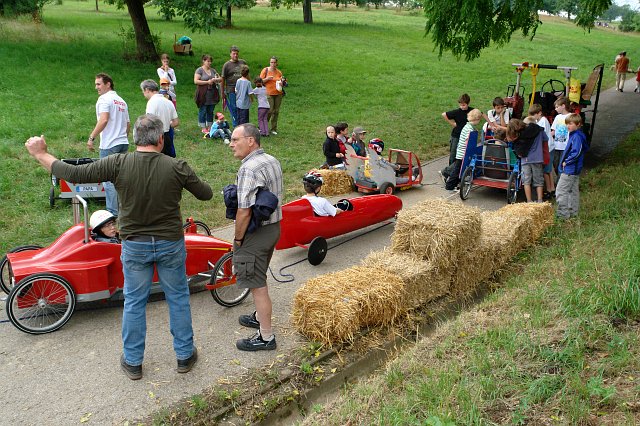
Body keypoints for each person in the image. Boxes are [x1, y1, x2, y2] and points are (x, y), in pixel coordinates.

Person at [25, 114, 213, 380]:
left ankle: (133, 362)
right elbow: (206, 194)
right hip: (170, 244)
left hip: (135, 246)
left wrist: (40, 154)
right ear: (161, 139)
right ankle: (184, 356)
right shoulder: (176, 166)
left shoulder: (118, 162)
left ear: (134, 138)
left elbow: (74, 174)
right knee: (178, 298)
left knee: (134, 302)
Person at [228, 123, 283, 351]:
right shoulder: (271, 160)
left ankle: (266, 337)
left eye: (235, 140)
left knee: (257, 285)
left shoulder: (249, 169)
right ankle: (259, 317)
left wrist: (238, 240)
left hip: (256, 234)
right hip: (273, 228)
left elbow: (244, 210)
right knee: (259, 275)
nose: (231, 144)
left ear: (250, 141)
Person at [88, 73, 130, 216]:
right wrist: (122, 137)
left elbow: (104, 120)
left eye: (98, 84)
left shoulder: (104, 99)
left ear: (108, 84)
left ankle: (113, 213)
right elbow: (128, 124)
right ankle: (125, 210)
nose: (96, 87)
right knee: (121, 179)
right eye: (96, 84)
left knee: (108, 180)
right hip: (123, 143)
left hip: (109, 145)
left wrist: (92, 137)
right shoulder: (122, 101)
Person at [507, 118, 547, 203]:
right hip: (537, 158)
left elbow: (518, 148)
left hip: (525, 159)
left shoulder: (520, 134)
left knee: (526, 181)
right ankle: (540, 200)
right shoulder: (539, 130)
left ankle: (529, 201)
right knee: (539, 180)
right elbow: (545, 139)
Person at [441, 108, 482, 190]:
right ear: (477, 119)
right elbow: (468, 141)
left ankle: (456, 183)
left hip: (461, 152)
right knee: (457, 170)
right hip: (463, 153)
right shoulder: (469, 129)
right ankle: (449, 185)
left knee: (459, 169)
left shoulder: (467, 126)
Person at [556, 114, 588, 219]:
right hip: (574, 169)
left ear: (578, 124)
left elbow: (576, 152)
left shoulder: (576, 136)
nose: (567, 126)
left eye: (570, 124)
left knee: (561, 191)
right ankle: (573, 212)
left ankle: (563, 214)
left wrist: (567, 161)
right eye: (567, 124)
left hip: (570, 169)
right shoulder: (576, 135)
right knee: (572, 191)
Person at [141, 79, 179, 158]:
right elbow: (176, 122)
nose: (143, 94)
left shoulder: (151, 102)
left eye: (143, 91)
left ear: (147, 90)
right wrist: (166, 125)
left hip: (156, 137)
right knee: (169, 159)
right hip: (168, 136)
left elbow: (149, 122)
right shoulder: (169, 102)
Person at [528, 104, 555, 199]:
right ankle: (551, 188)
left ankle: (549, 189)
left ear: (539, 113)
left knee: (546, 171)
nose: (533, 117)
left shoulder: (543, 121)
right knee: (548, 170)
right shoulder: (539, 120)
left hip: (548, 148)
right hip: (546, 148)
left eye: (534, 115)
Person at [441, 93, 472, 167]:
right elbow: (444, 114)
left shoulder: (472, 111)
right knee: (453, 153)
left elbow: (481, 113)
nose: (462, 107)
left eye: (463, 105)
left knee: (463, 153)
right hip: (456, 136)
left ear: (468, 103)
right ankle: (450, 169)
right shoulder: (457, 112)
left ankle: (460, 168)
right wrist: (452, 123)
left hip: (466, 135)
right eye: (460, 105)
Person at [194, 54, 222, 134]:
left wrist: (215, 79)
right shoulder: (199, 70)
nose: (209, 63)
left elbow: (220, 79)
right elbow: (196, 81)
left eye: (210, 61)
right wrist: (207, 82)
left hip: (212, 94)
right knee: (203, 110)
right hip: (203, 94)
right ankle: (203, 127)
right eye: (208, 61)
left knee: (210, 110)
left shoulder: (213, 70)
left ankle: (210, 126)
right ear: (203, 61)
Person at [221, 46, 248, 127]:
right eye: (234, 54)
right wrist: (222, 92)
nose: (235, 55)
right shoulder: (226, 65)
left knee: (243, 107)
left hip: (242, 89)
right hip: (231, 89)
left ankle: (243, 124)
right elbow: (223, 79)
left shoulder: (242, 62)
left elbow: (247, 75)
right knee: (234, 107)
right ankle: (236, 125)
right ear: (230, 54)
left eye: (237, 54)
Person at [260, 56, 284, 135]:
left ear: (277, 63)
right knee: (269, 110)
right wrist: (267, 79)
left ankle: (273, 128)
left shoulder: (279, 72)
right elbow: (259, 81)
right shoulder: (265, 70)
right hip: (269, 93)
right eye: (271, 62)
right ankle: (263, 126)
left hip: (278, 93)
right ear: (269, 63)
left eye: (274, 62)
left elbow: (282, 81)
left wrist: (282, 83)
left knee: (276, 111)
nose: (273, 64)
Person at [551, 97, 571, 180]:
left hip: (565, 146)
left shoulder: (570, 116)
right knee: (555, 164)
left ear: (563, 106)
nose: (555, 109)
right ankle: (559, 180)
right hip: (556, 145)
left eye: (557, 107)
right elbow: (554, 131)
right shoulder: (557, 117)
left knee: (562, 164)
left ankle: (560, 182)